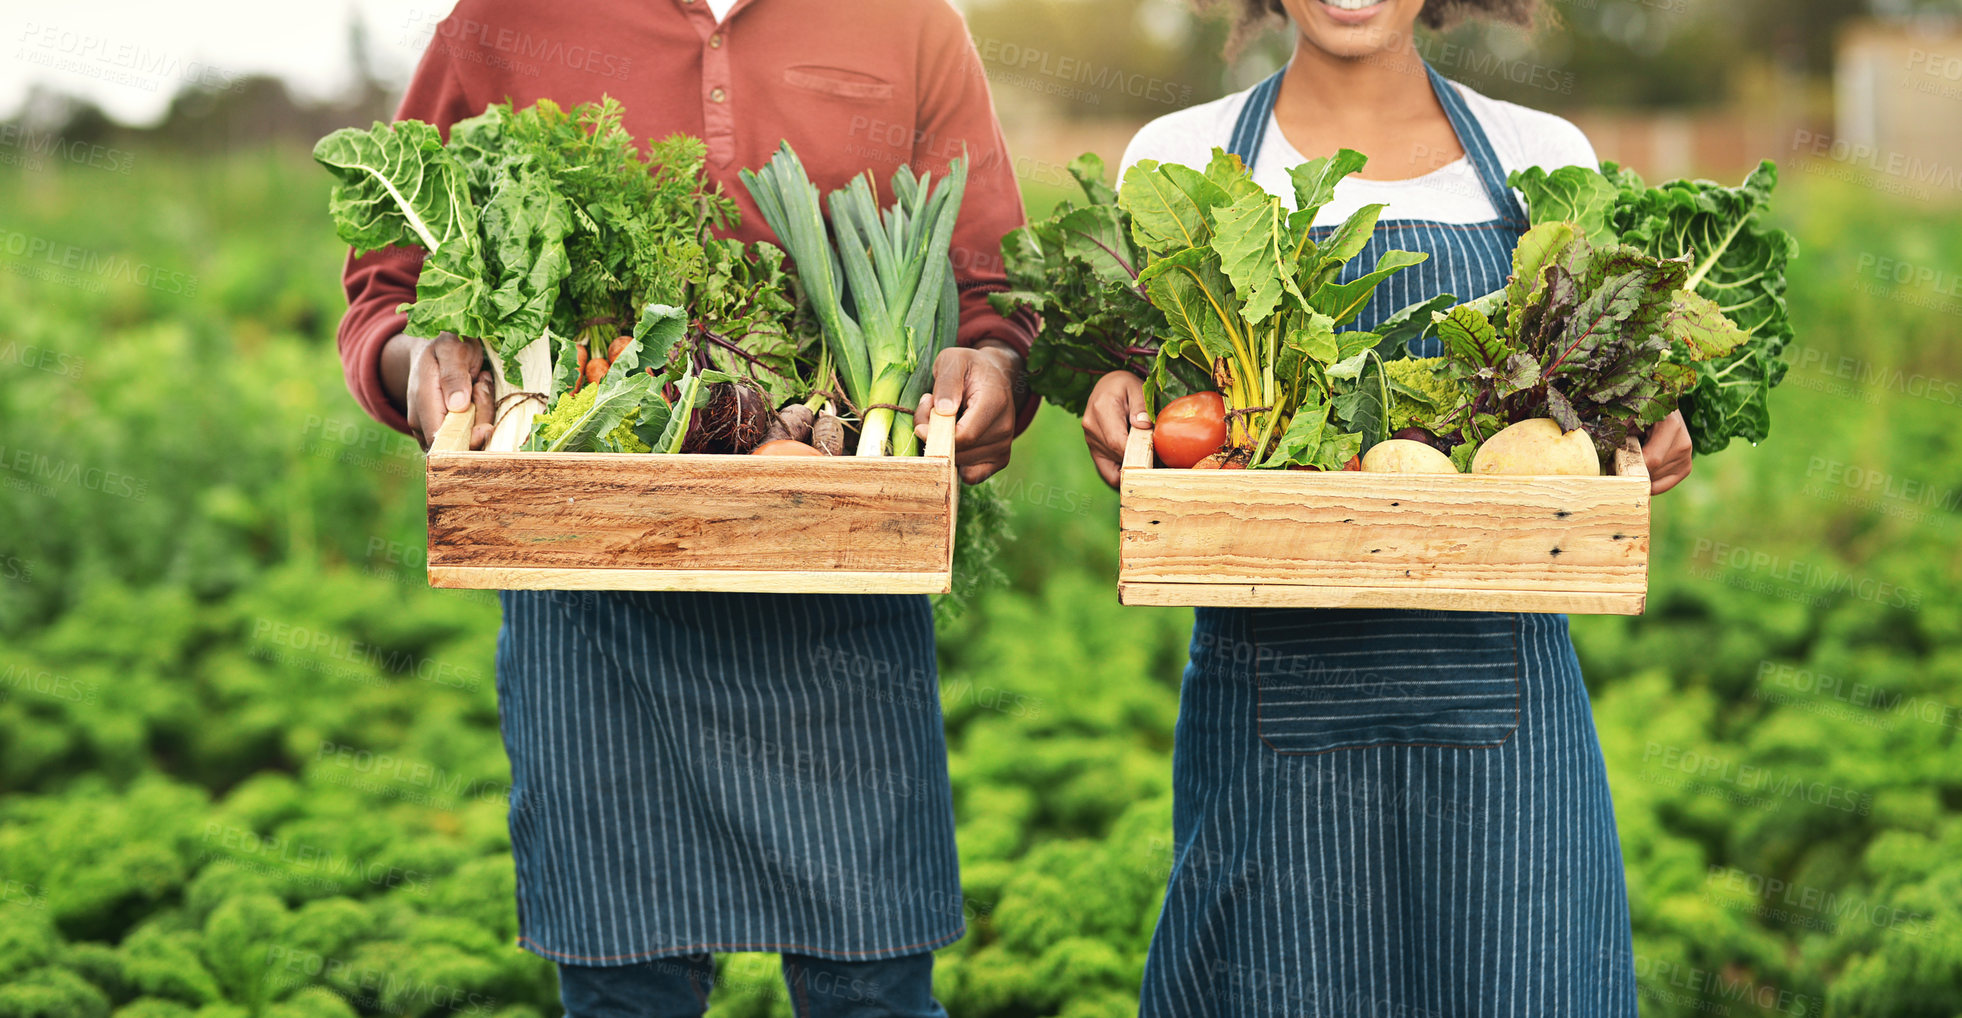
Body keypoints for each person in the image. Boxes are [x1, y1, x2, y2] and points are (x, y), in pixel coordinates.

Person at [333, 1, 1036, 1015]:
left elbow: (989, 291)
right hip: (594, 604)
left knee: (874, 992)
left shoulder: (908, 16)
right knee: (625, 995)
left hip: (836, 597)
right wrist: (420, 366)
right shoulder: (503, 18)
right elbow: (385, 294)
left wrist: (996, 368)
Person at [1080, 1, 1686, 1013]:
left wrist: (1645, 422)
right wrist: (1120, 399)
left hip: (1509, 750)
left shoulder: (1545, 158)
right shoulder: (1180, 157)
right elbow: (1159, 398)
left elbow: (1595, 411)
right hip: (1268, 740)